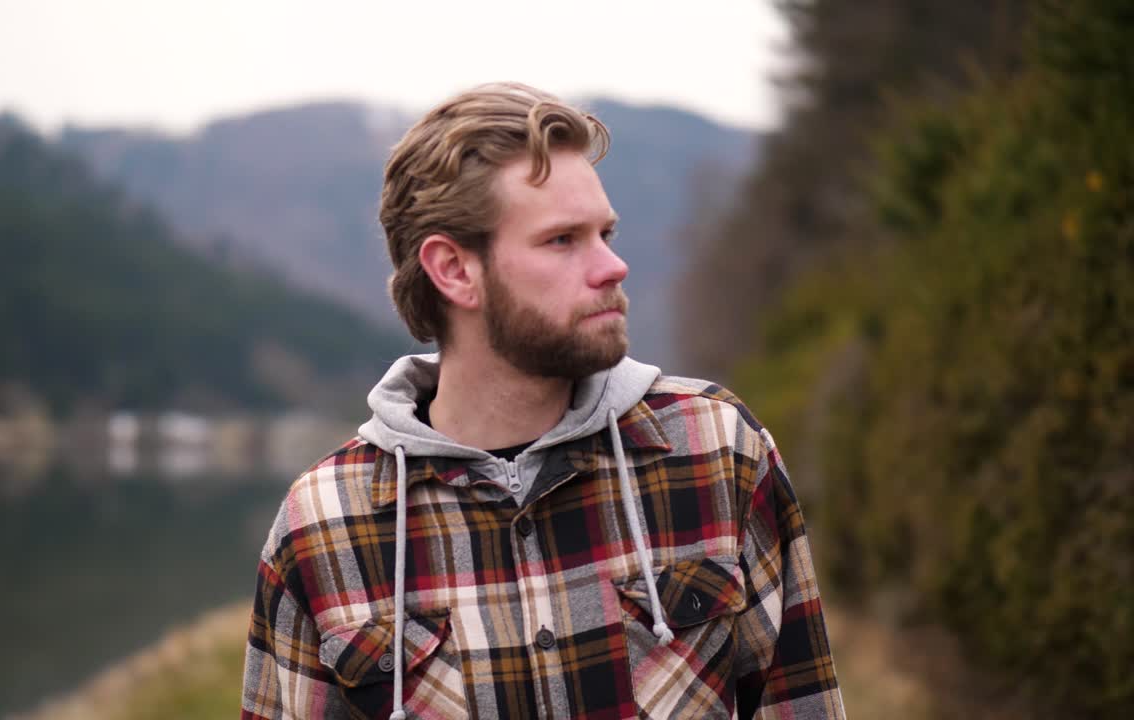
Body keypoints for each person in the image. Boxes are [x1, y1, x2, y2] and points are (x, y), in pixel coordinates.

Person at [242, 82, 845, 720]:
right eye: (563, 240)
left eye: (606, 233)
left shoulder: (717, 451)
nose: (613, 266)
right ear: (453, 270)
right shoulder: (322, 525)